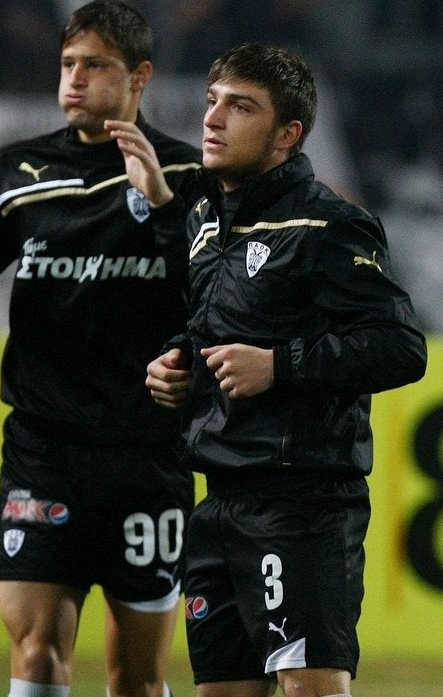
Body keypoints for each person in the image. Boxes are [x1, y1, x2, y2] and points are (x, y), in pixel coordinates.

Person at [0, 0, 201, 697]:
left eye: (95, 65)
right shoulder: (16, 171)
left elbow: (217, 292)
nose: (74, 79)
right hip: (43, 453)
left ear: (140, 77)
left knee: (138, 677)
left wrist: (162, 207)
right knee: (36, 655)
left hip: (147, 454)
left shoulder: (188, 176)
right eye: (68, 64)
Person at [144, 42, 427, 697]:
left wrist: (280, 365)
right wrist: (179, 363)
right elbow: (219, 325)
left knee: (310, 686)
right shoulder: (204, 221)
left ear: (286, 134)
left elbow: (399, 347)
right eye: (213, 101)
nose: (213, 118)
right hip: (218, 500)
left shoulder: (329, 224)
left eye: (241, 107)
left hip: (302, 505)